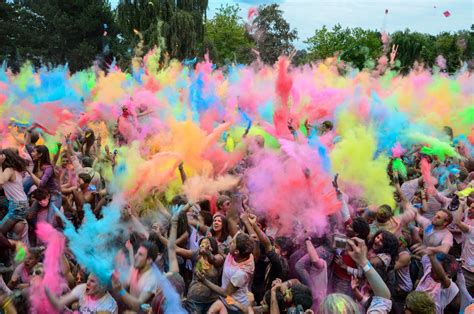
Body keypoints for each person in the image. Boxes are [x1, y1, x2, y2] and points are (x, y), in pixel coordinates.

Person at [197, 232, 255, 314]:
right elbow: (226, 256)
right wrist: (211, 250)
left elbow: (226, 293)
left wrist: (204, 281)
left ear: (237, 252)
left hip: (233, 305)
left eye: (233, 242)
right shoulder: (242, 254)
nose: (230, 242)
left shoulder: (241, 273)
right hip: (224, 299)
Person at [112, 241, 160, 312]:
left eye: (140, 254)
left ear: (149, 260)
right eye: (137, 253)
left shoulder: (152, 278)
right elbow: (124, 285)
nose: (135, 256)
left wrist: (121, 290)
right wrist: (114, 279)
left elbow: (138, 304)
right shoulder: (135, 268)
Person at [45, 273, 118, 313]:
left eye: (92, 281)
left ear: (102, 285)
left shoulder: (110, 305)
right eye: (88, 279)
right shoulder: (83, 288)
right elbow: (59, 304)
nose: (87, 283)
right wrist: (46, 288)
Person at [26, 145, 62, 224]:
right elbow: (27, 144)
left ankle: (62, 231)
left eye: (34, 152)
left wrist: (30, 173)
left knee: (50, 221)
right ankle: (41, 230)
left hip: (54, 194)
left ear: (40, 154)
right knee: (29, 216)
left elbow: (41, 184)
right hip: (43, 195)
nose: (31, 154)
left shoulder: (48, 168)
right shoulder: (37, 165)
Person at [0, 149, 29, 235]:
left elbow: (1, 181)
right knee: (11, 234)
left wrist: (0, 164)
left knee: (1, 231)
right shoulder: (15, 170)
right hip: (21, 204)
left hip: (17, 206)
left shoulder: (9, 170)